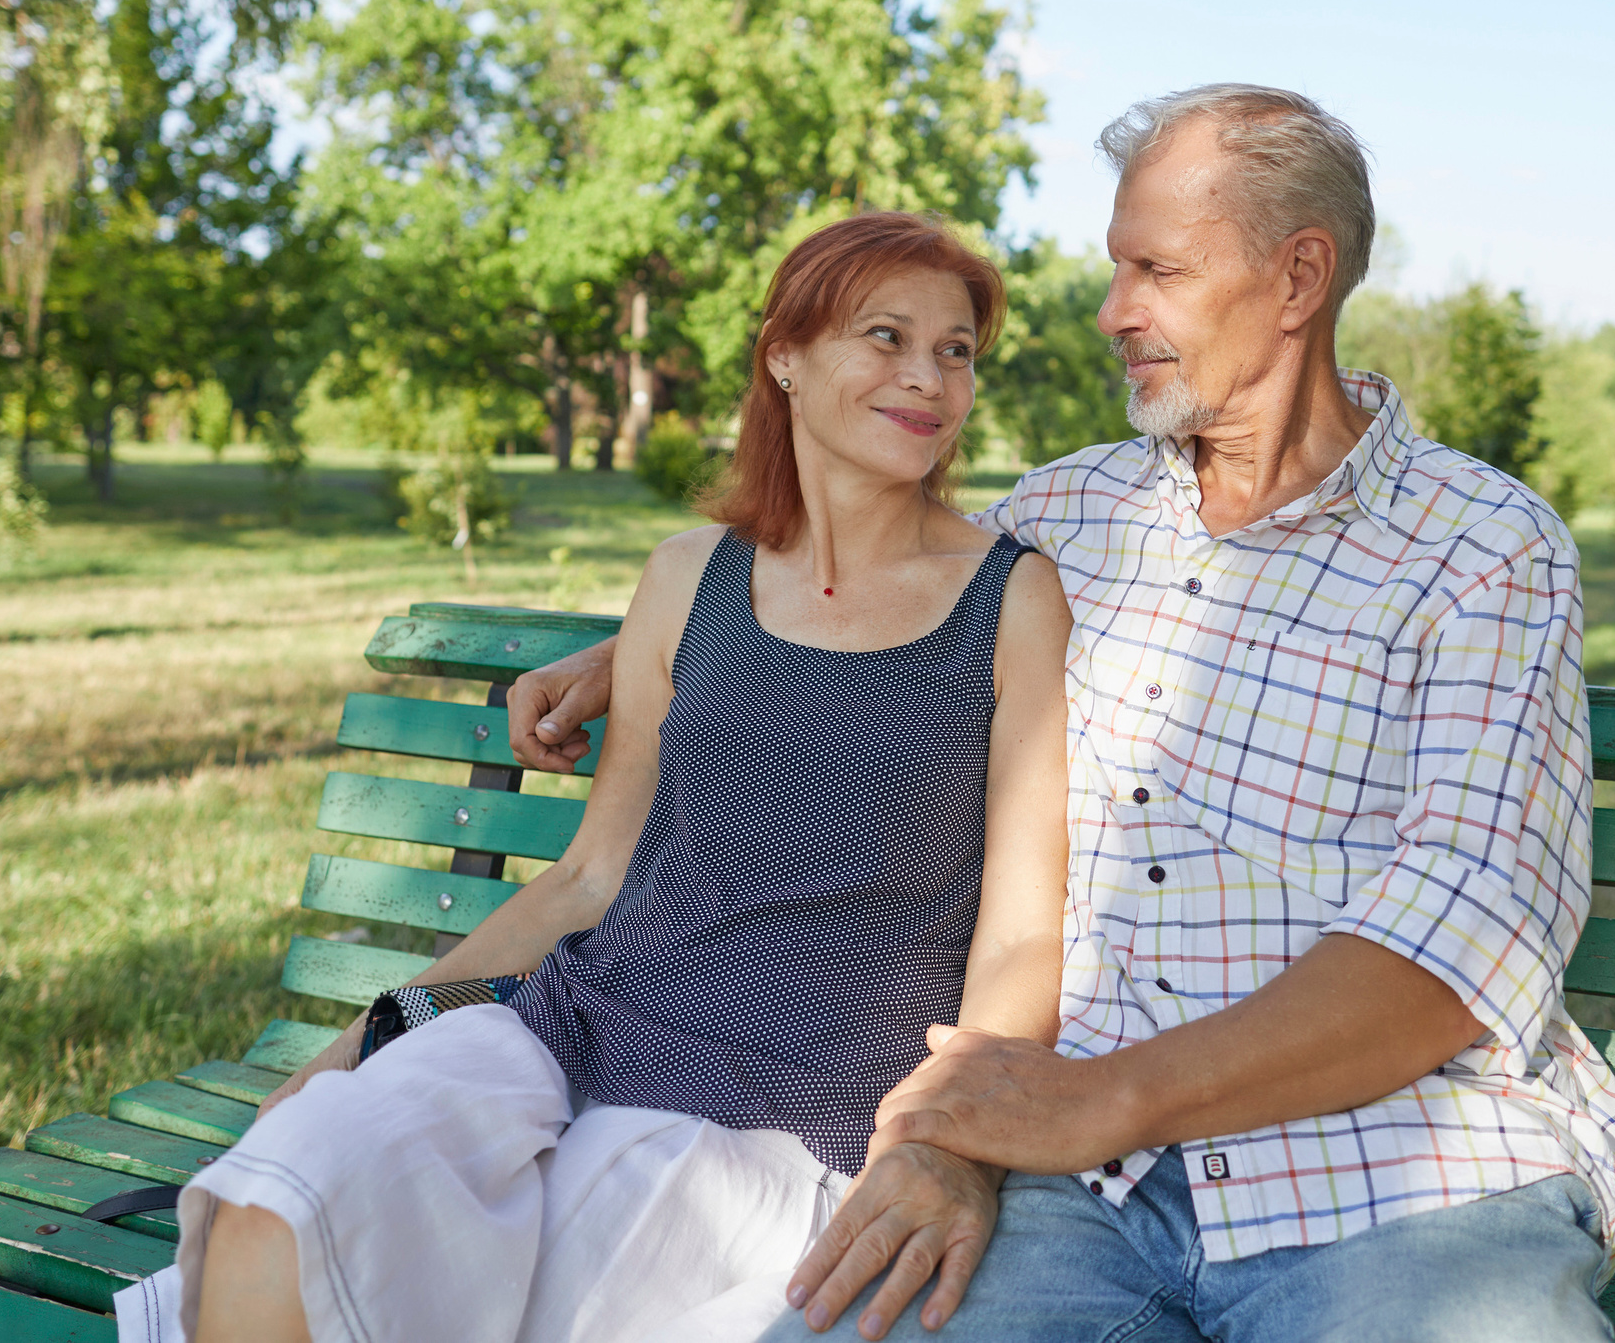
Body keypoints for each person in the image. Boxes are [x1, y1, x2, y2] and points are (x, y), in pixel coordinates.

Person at [508, 85, 1615, 1343]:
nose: (1113, 314)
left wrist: (1100, 1100)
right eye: (1116, 270)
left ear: (1298, 277)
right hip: (1071, 1195)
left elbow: (1463, 943)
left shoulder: (1480, 550)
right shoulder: (1069, 514)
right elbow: (864, 592)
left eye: (1155, 269)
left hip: (1397, 1182)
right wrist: (635, 652)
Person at [116, 212, 1073, 1343]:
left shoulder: (1010, 602)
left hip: (779, 1114)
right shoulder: (688, 575)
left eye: (955, 350)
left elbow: (1020, 942)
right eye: (886, 336)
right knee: (277, 1203)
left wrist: (940, 1144)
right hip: (571, 1035)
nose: (928, 377)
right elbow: (587, 878)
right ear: (786, 357)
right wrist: (359, 1043)